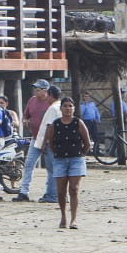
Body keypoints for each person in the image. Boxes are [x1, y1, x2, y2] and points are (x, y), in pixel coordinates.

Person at [45, 96, 90, 229]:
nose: (67, 109)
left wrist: (81, 154)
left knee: (74, 189)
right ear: (61, 108)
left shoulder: (78, 123)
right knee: (60, 191)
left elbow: (87, 142)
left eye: (70, 106)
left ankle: (74, 219)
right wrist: (57, 153)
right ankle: (63, 216)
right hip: (60, 160)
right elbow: (51, 142)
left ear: (74, 108)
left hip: (76, 159)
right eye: (65, 106)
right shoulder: (55, 124)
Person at [14, 84, 61, 203]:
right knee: (29, 164)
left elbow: (49, 126)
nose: (36, 91)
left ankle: (51, 194)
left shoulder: (53, 107)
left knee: (51, 168)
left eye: (39, 89)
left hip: (47, 141)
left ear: (47, 92)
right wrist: (26, 120)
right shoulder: (33, 100)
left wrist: (45, 142)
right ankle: (24, 192)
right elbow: (26, 115)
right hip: (37, 139)